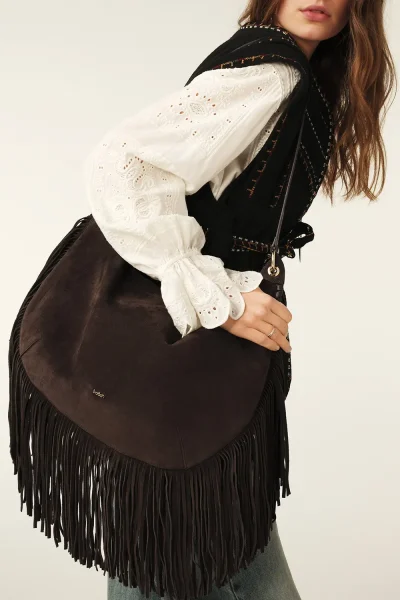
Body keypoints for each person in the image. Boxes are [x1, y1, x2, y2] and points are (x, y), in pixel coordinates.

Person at [8, 2, 394, 600]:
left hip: (188, 353)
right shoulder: (272, 73)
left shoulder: (292, 76)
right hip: (183, 341)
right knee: (179, 539)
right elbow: (124, 161)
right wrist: (219, 294)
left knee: (178, 538)